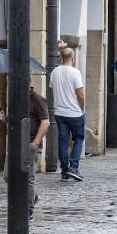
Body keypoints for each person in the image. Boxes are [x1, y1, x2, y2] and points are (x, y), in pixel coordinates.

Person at [0, 86, 50, 221]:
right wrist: (4, 119)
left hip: (29, 144)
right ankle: (33, 196)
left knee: (27, 178)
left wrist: (34, 144)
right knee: (8, 176)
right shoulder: (15, 100)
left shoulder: (37, 100)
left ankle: (28, 210)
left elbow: (45, 123)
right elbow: (13, 122)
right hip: (15, 144)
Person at [49, 48, 86, 182]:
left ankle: (64, 171)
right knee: (79, 139)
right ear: (73, 58)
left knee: (63, 141)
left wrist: (59, 103)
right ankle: (73, 168)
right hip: (74, 112)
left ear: (61, 58)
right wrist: (82, 109)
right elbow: (80, 94)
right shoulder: (75, 72)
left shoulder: (54, 72)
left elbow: (52, 91)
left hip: (60, 112)